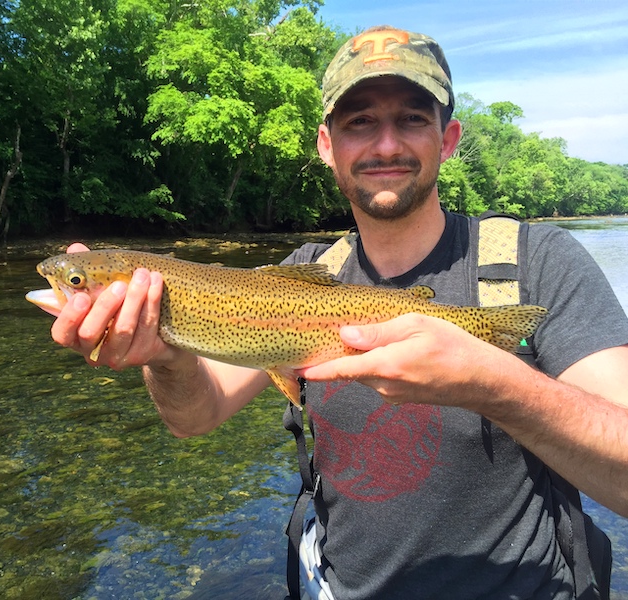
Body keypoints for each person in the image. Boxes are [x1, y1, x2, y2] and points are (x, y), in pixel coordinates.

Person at [50, 25, 628, 599]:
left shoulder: (539, 262)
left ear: (447, 139)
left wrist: (494, 386)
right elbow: (194, 418)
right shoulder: (292, 276)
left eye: (410, 118)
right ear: (327, 145)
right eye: (359, 122)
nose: (385, 145)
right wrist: (167, 359)